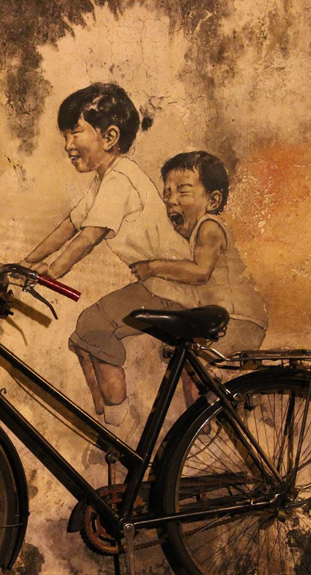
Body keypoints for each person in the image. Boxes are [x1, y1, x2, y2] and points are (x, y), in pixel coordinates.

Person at [22, 83, 195, 431]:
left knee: (92, 326)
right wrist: (25, 263)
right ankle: (107, 422)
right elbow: (69, 226)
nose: (68, 145)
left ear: (110, 136)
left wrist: (51, 272)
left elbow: (88, 237)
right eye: (65, 136)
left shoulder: (121, 181)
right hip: (158, 286)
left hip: (170, 289)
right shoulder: (106, 180)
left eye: (75, 133)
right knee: (83, 340)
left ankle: (120, 422)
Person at [130, 151, 268, 402]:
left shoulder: (209, 227)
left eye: (182, 192)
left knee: (198, 379)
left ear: (213, 201)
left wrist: (153, 267)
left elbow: (199, 273)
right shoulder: (196, 232)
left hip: (237, 318)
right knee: (192, 372)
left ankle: (207, 427)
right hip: (228, 317)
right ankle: (207, 423)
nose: (171, 200)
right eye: (167, 193)